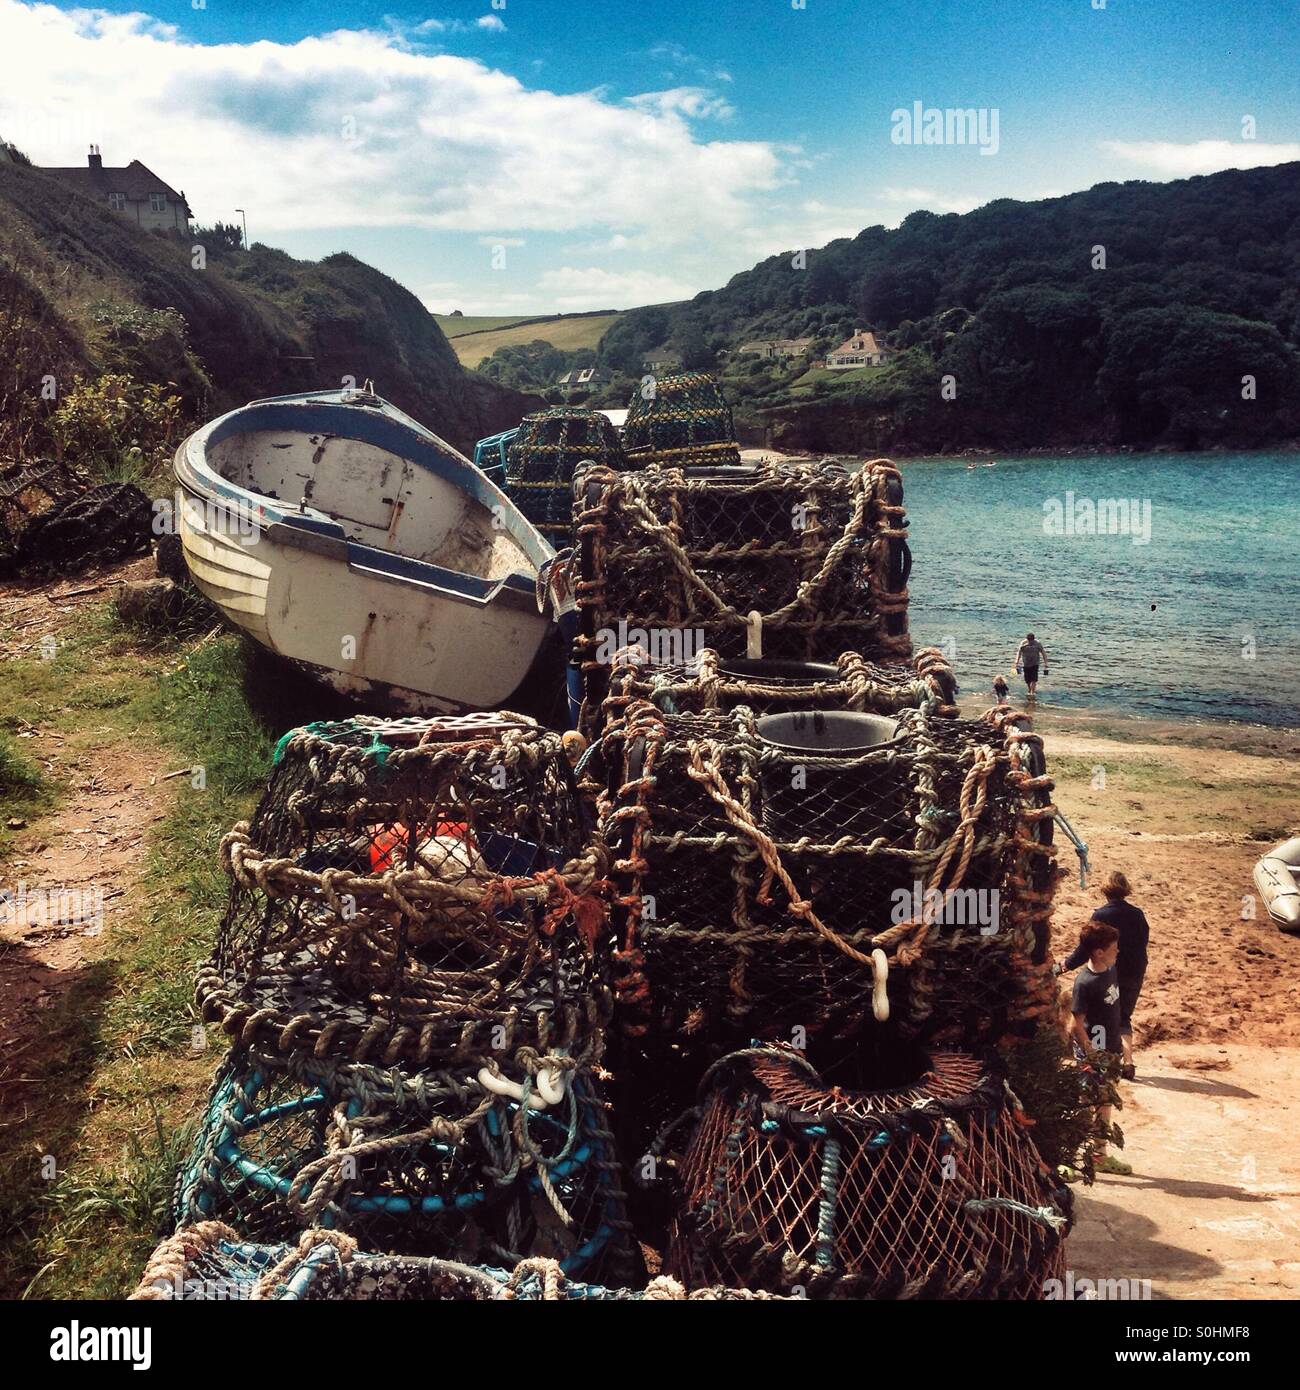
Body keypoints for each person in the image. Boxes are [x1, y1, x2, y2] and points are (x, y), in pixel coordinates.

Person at [1062, 871, 1148, 1080]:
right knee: (1124, 1017)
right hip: (1135, 970)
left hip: (1110, 973)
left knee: (1099, 1019)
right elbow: (1143, 943)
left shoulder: (1101, 915)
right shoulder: (1138, 914)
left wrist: (1066, 965)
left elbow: (1087, 948)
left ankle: (1097, 1059)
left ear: (1105, 890)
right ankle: (1128, 1062)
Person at [1068, 921, 1132, 1176]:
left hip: (1111, 1050)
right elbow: (1075, 1025)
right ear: (1099, 952)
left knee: (1104, 1105)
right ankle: (1069, 1157)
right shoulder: (1085, 983)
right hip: (1095, 1055)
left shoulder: (1110, 969)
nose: (1118, 952)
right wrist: (1091, 1053)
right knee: (1086, 1106)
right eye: (1114, 948)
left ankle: (1099, 1156)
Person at [1014, 632, 1049, 697]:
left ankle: (1032, 692)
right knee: (1027, 680)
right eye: (1029, 640)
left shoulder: (1037, 643)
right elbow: (1019, 652)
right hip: (1026, 664)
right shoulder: (1023, 643)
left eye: (1031, 640)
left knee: (1034, 678)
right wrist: (1017, 661)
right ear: (1027, 639)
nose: (1030, 642)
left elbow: (1043, 652)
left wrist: (1046, 663)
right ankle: (1030, 689)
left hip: (1035, 663)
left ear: (1034, 639)